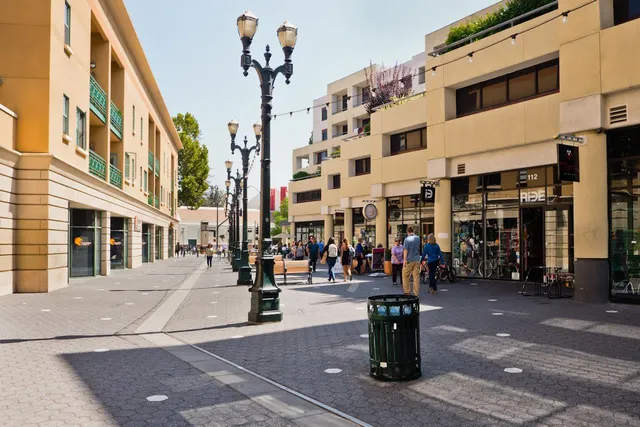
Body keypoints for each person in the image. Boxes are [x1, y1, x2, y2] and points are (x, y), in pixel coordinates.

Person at [402, 226, 422, 296]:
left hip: (409, 260)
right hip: (417, 259)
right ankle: (416, 293)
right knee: (416, 277)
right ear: (413, 231)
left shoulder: (406, 239)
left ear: (407, 232)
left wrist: (404, 260)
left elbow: (405, 250)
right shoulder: (418, 238)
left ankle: (407, 292)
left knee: (405, 275)